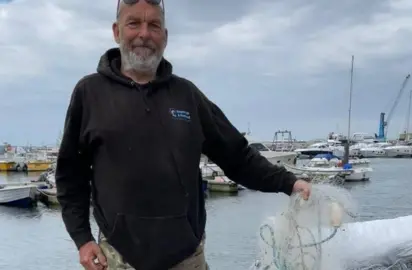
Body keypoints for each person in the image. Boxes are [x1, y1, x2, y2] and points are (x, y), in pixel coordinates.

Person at [55, 0, 312, 269]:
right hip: (118, 257)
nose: (144, 33)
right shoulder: (89, 93)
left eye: (154, 25)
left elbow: (238, 157)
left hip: (187, 258)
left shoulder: (188, 95)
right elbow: (70, 175)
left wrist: (290, 183)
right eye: (134, 23)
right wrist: (82, 239)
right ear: (117, 31)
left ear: (165, 37)